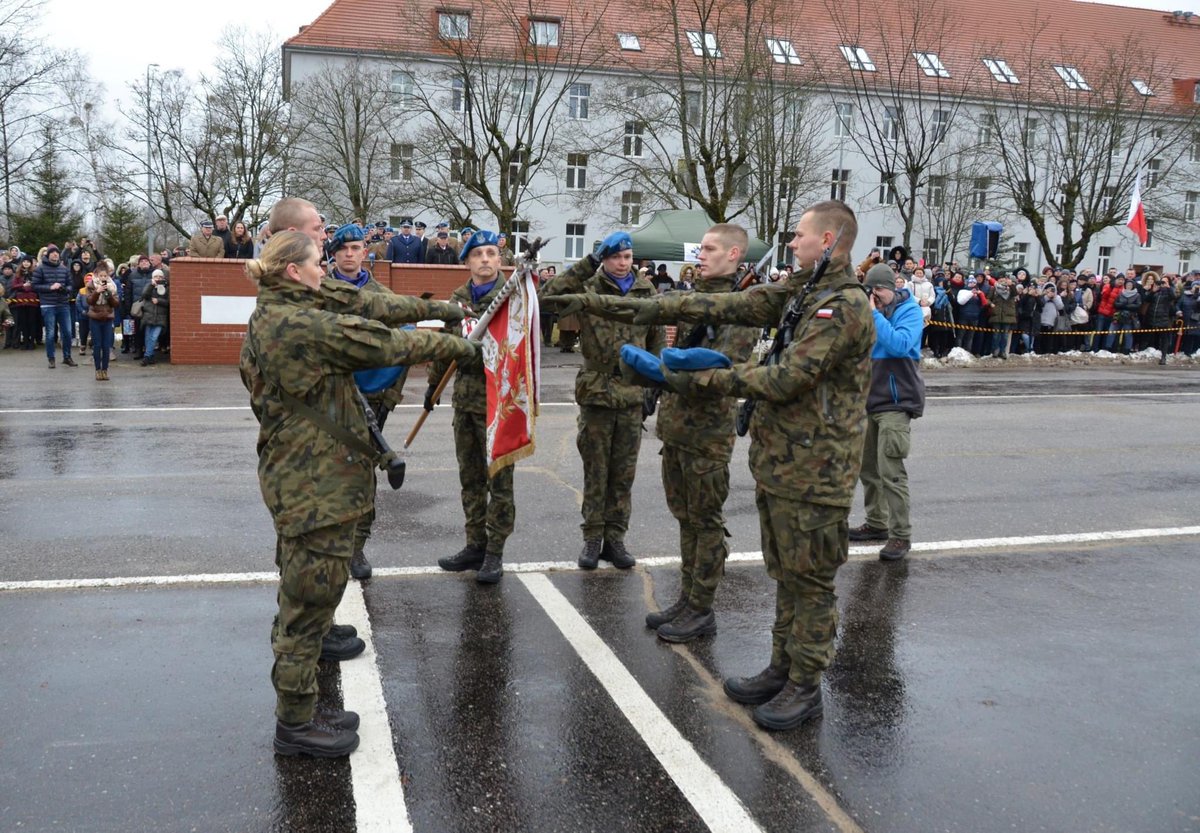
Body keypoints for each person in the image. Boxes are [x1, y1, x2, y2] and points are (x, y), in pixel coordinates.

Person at [556, 201, 873, 730]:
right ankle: (782, 667)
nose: (792, 243)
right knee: (783, 571)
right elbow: (731, 306)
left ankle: (805, 683)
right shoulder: (804, 291)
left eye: (800, 235)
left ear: (831, 239)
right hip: (782, 460)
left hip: (818, 467)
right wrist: (630, 308)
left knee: (810, 579)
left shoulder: (841, 305)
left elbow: (785, 379)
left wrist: (694, 378)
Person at [240, 230, 477, 758]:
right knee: (305, 606)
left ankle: (301, 709)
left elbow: (366, 303)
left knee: (307, 598)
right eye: (316, 262)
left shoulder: (280, 308)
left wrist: (441, 310)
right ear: (293, 271)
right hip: (314, 486)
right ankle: (295, 726)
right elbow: (385, 343)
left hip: (305, 477)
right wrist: (458, 344)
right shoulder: (299, 323)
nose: (325, 268)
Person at [549, 224, 759, 640]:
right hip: (677, 424)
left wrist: (658, 376)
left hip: (706, 429)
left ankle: (702, 607)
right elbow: (559, 298)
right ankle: (688, 598)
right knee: (686, 518)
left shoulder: (742, 305)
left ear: (735, 254)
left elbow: (721, 369)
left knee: (705, 521)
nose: (700, 253)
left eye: (710, 248)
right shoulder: (693, 296)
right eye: (700, 246)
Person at [325, 222, 466, 579]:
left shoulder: (381, 296)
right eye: (343, 249)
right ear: (334, 254)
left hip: (371, 399)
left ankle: (357, 546)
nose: (350, 254)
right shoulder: (320, 293)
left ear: (365, 253)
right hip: (328, 396)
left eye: (356, 248)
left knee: (363, 470)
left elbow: (403, 346)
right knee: (327, 470)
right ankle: (330, 543)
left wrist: (388, 395)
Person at [539, 230, 665, 570]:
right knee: (595, 470)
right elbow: (548, 296)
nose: (623, 263)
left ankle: (616, 538)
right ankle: (593, 537)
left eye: (627, 257)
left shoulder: (645, 290)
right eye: (615, 257)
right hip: (597, 389)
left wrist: (655, 381)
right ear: (605, 259)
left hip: (632, 392)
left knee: (623, 473)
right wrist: (587, 263)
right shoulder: (589, 286)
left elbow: (657, 338)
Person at [427, 230, 521, 584]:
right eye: (477, 254)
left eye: (490, 254)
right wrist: (433, 388)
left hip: (501, 405)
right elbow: (446, 347)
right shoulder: (458, 300)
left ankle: (495, 551)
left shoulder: (512, 299)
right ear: (466, 262)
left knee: (499, 480)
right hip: (466, 401)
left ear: (500, 261)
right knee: (471, 479)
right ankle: (475, 544)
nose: (485, 259)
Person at [848, 263, 925, 561]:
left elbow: (900, 345)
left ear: (892, 287)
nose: (875, 295)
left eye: (879, 290)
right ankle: (876, 523)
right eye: (871, 290)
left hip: (897, 401)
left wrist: (874, 315)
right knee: (868, 469)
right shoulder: (870, 312)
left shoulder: (910, 311)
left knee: (891, 471)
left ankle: (901, 535)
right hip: (869, 400)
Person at [32, 244, 76, 368]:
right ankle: (51, 358)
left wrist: (64, 289)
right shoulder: (40, 269)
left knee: (67, 332)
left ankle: (67, 357)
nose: (55, 254)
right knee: (50, 333)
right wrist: (50, 287)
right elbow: (35, 285)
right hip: (48, 304)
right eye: (52, 252)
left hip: (63, 304)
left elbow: (70, 285)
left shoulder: (64, 269)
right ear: (48, 255)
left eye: (57, 252)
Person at [86, 262, 120, 380]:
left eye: (105, 276)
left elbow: (116, 303)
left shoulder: (112, 286)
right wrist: (97, 291)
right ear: (97, 275)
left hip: (107, 316)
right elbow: (89, 301)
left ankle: (105, 370)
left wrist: (108, 294)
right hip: (95, 316)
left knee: (106, 346)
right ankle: (97, 369)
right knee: (97, 345)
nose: (103, 278)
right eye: (101, 276)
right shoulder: (91, 285)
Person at [140, 270, 169, 366]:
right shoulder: (149, 285)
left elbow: (169, 302)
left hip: (161, 316)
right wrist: (152, 285)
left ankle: (147, 356)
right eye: (156, 276)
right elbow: (144, 295)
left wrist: (159, 301)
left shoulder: (166, 287)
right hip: (149, 315)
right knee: (148, 337)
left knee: (154, 337)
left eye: (160, 277)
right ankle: (150, 356)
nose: (158, 278)